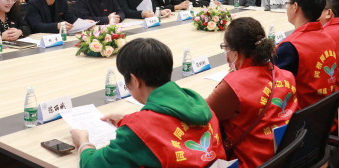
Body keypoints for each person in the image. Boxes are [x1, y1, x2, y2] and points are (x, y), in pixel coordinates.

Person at [70, 38, 226, 167]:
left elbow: (94, 164)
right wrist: (128, 121)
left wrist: (83, 143)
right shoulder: (198, 103)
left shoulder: (139, 129)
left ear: (134, 80)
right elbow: (167, 125)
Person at [206, 17, 298, 168]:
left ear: (235, 53)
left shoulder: (233, 86)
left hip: (251, 162)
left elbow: (202, 113)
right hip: (285, 158)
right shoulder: (287, 76)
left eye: (225, 48)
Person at [276, 0, 339, 108]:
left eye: (288, 3)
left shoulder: (290, 46)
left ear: (295, 6)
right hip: (323, 111)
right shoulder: (329, 38)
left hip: (299, 113)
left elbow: (273, 86)